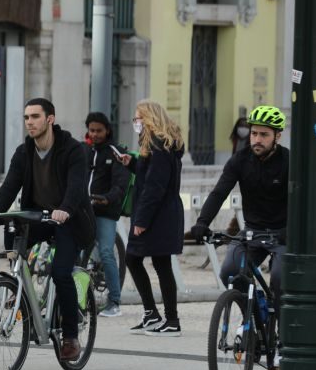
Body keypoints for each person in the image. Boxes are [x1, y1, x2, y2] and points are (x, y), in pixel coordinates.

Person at [0, 98, 95, 360]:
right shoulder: (24, 152)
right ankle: (22, 289)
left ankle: (71, 337)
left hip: (70, 220)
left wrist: (64, 209)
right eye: (26, 117)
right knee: (12, 229)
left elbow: (76, 187)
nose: (29, 122)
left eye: (35, 117)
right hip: (39, 217)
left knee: (61, 273)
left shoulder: (73, 149)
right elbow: (10, 186)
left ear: (50, 119)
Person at [190, 105, 288, 304]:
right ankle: (254, 310)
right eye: (254, 133)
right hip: (252, 233)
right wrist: (202, 222)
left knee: (280, 279)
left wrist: (291, 230)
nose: (257, 139)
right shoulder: (240, 160)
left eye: (264, 135)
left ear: (277, 136)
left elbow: (300, 200)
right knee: (229, 273)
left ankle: (280, 326)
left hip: (283, 234)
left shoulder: (289, 161)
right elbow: (219, 193)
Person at [118, 100, 185, 336]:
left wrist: (142, 221)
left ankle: (171, 320)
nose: (136, 123)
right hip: (159, 213)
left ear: (150, 119)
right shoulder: (156, 145)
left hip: (159, 215)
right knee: (140, 260)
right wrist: (133, 163)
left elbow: (155, 187)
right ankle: (152, 314)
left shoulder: (160, 147)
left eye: (138, 119)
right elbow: (149, 176)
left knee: (156, 263)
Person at [84, 112, 130, 318]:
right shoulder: (83, 151)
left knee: (106, 252)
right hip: (84, 210)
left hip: (105, 211)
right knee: (76, 252)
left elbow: (121, 184)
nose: (94, 134)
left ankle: (114, 301)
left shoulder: (115, 153)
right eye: (91, 130)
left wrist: (107, 198)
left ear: (107, 130)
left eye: (99, 130)